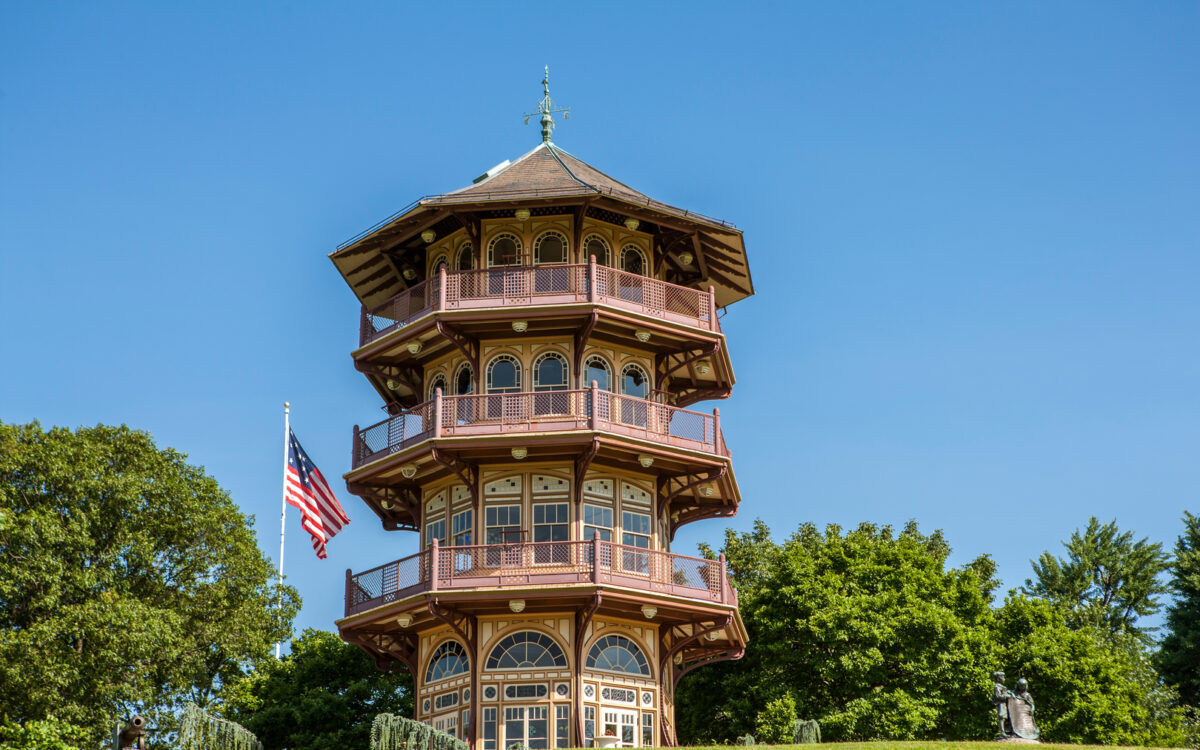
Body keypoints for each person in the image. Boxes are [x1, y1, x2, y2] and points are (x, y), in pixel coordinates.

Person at [992, 670, 1011, 737]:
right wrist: (1006, 696)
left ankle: (1006, 731)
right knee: (1002, 717)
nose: (1004, 679)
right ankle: (1002, 732)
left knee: (1005, 717)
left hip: (1004, 704)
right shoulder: (997, 687)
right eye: (1002, 677)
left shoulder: (1001, 686)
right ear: (998, 678)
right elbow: (998, 696)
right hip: (1001, 704)